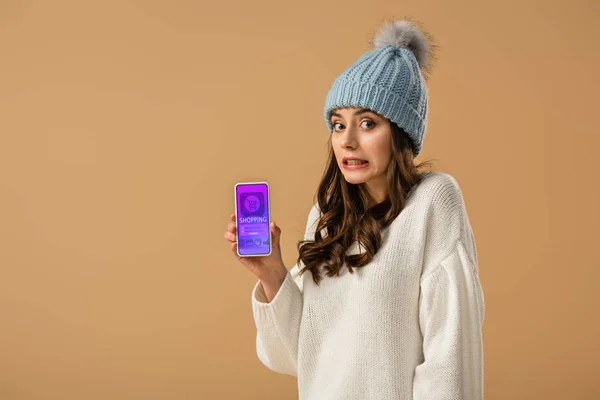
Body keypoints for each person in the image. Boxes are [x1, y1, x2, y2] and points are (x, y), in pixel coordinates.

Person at [223, 17, 485, 400]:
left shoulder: (433, 202)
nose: (347, 141)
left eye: (367, 123)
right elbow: (296, 356)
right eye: (337, 124)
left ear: (400, 133)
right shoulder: (327, 216)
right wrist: (273, 275)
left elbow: (450, 356)